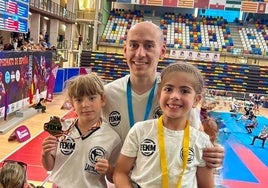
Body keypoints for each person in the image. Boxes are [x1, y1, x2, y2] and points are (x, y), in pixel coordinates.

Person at [103, 21, 224, 168]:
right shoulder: (107, 94)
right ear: (125, 50)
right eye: (134, 45)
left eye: (149, 46)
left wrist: (213, 151)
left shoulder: (177, 99)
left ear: (162, 51)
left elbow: (197, 138)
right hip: (119, 179)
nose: (140, 54)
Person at [113, 63, 214, 188]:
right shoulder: (140, 131)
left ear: (196, 100)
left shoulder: (202, 141)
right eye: (169, 89)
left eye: (184, 91)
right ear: (160, 94)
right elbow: (120, 173)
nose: (175, 96)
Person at [41, 73, 122, 187]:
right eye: (79, 100)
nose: (85, 104)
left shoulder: (112, 137)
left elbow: (114, 177)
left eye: (92, 98)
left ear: (102, 99)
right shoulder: (62, 129)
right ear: (72, 104)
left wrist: (108, 169)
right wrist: (45, 153)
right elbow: (49, 166)